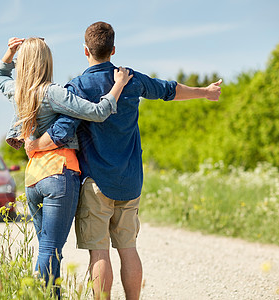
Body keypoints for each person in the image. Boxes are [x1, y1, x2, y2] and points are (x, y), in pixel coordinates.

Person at [25, 21, 222, 300]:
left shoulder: (78, 86)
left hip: (96, 182)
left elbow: (61, 131)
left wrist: (34, 146)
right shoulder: (131, 79)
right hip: (130, 181)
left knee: (99, 251)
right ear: (113, 49)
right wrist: (205, 92)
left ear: (85, 51)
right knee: (129, 249)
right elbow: (169, 89)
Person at [0, 37, 133, 297]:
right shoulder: (52, 92)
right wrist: (118, 85)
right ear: (47, 62)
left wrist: (9, 53)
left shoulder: (18, 91)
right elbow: (99, 111)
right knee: (50, 249)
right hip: (58, 173)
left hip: (33, 179)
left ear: (22, 63)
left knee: (48, 247)